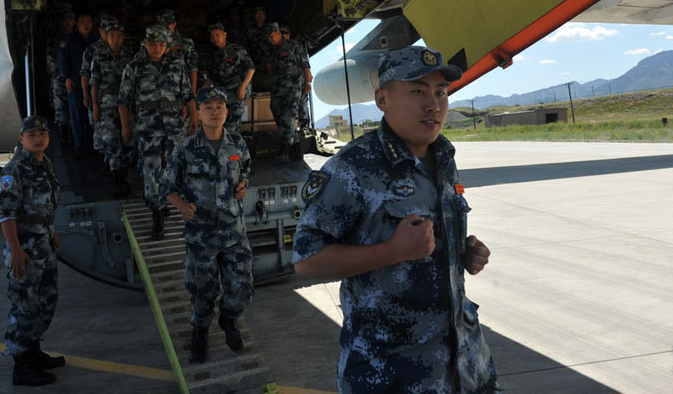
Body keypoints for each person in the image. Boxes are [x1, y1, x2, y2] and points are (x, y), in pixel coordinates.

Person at [293, 46, 499, 394]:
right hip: (389, 375)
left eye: (440, 92)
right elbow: (307, 261)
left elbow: (428, 242)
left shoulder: (443, 157)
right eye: (417, 91)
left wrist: (460, 253)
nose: (433, 104)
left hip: (464, 366)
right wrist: (394, 250)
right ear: (382, 100)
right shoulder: (352, 169)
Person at [162, 87, 253, 362]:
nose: (215, 111)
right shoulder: (185, 148)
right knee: (202, 289)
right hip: (201, 235)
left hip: (234, 232)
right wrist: (181, 207)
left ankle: (228, 320)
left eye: (219, 106)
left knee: (241, 286)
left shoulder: (237, 143)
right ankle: (199, 331)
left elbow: (245, 171)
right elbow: (167, 185)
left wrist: (242, 186)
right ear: (198, 113)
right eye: (208, 107)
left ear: (227, 111)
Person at [0, 116, 64, 386]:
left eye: (43, 133)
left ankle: (34, 352)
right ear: (21, 139)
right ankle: (21, 365)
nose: (38, 138)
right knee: (25, 305)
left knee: (45, 302)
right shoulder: (14, 170)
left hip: (44, 242)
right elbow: (6, 214)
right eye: (32, 134)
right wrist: (15, 250)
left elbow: (46, 205)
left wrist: (53, 232)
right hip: (24, 248)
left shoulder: (45, 164)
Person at [119, 25, 194, 239]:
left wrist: (194, 119)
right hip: (148, 125)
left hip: (173, 126)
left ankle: (170, 201)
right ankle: (156, 213)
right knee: (151, 169)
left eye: (162, 44)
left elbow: (187, 94)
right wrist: (125, 125)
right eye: (153, 44)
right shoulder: (134, 67)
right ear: (146, 43)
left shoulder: (177, 66)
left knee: (174, 167)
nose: (157, 48)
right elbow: (123, 100)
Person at [90, 20, 133, 189]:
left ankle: (125, 172)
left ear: (123, 38)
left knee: (128, 139)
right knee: (111, 140)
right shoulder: (98, 57)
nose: (115, 39)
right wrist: (94, 106)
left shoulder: (130, 57)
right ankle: (117, 179)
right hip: (106, 104)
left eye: (118, 36)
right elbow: (95, 83)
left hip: (127, 104)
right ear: (106, 37)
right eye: (111, 35)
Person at [265, 22, 312, 160]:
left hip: (293, 88)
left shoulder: (293, 46)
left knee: (289, 116)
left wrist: (307, 83)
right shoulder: (272, 51)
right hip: (278, 87)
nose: (270, 39)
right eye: (267, 37)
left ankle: (285, 149)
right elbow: (270, 69)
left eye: (271, 36)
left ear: (278, 33)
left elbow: (306, 67)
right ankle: (296, 146)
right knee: (275, 110)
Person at [57, 12, 98, 154]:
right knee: (77, 114)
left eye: (89, 22)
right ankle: (80, 145)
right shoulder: (68, 40)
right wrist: (67, 77)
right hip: (75, 82)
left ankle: (94, 144)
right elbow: (62, 60)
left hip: (95, 83)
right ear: (77, 24)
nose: (86, 25)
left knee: (94, 114)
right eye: (83, 22)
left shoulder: (96, 40)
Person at [205, 23, 255, 133]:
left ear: (224, 35)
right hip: (221, 97)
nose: (215, 39)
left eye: (217, 35)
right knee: (223, 128)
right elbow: (210, 77)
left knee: (230, 127)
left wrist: (243, 86)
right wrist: (200, 92)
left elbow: (251, 69)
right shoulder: (216, 55)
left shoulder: (237, 50)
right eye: (212, 36)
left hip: (236, 95)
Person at [81, 15, 118, 155]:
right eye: (108, 31)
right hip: (98, 94)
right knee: (100, 129)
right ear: (101, 31)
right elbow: (85, 73)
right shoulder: (92, 50)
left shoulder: (121, 49)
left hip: (117, 97)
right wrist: (86, 94)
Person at [156, 9, 199, 99]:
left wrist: (193, 91)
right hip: (158, 89)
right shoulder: (155, 42)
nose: (165, 29)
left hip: (180, 88)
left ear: (174, 24)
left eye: (167, 25)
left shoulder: (185, 42)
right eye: (161, 26)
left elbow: (193, 68)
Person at [46, 9, 75, 143]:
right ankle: (64, 135)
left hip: (75, 77)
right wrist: (61, 73)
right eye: (65, 19)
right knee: (60, 106)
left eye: (70, 19)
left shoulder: (75, 37)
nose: (68, 22)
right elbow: (50, 58)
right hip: (59, 78)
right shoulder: (55, 38)